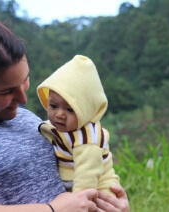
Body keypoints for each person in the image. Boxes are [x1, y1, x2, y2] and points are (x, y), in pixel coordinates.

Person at [0, 15, 130, 212]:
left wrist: (111, 204)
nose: (23, 99)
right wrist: (53, 209)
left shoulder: (17, 115)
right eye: (6, 91)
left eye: (24, 81)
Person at [37, 55, 120, 194]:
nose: (59, 115)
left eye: (70, 109)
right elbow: (48, 129)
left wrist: (78, 202)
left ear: (87, 111)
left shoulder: (87, 140)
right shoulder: (60, 126)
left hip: (99, 187)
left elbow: (86, 179)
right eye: (53, 106)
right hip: (70, 180)